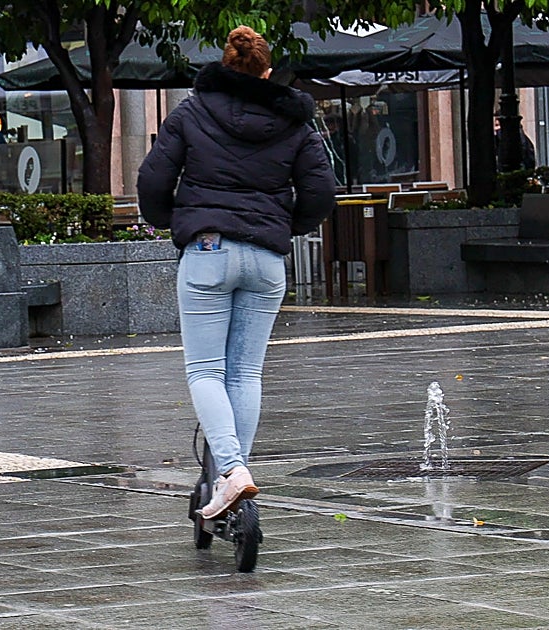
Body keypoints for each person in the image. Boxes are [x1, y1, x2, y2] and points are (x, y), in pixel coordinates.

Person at [136, 26, 336, 520]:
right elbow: (321, 193)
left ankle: (230, 471)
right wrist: (283, 226)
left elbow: (153, 179)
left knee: (207, 370)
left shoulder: (190, 112)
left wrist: (174, 222)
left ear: (225, 68)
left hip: (207, 250)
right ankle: (232, 474)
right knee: (245, 372)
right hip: (266, 260)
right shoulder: (295, 123)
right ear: (268, 73)